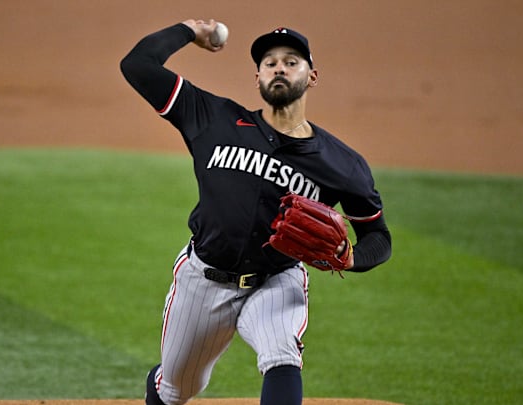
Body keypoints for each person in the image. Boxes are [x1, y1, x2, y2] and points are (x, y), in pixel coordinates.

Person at [120, 19, 392, 405]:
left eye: (291, 61)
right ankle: (164, 385)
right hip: (204, 279)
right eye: (269, 63)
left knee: (282, 355)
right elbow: (137, 65)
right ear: (258, 78)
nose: (279, 67)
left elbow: (378, 237)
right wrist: (189, 30)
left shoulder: (342, 164)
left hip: (276, 280)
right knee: (175, 390)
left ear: (311, 77)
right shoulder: (213, 118)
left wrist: (351, 259)